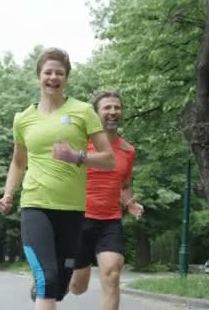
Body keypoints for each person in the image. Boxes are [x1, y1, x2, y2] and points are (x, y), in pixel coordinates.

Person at [0, 48, 115, 310]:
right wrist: (8, 195)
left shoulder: (83, 111)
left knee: (60, 287)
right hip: (35, 205)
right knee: (48, 279)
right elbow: (18, 162)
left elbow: (109, 159)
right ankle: (42, 285)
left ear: (66, 78)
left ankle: (41, 289)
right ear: (38, 76)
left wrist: (77, 157)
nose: (53, 77)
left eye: (59, 73)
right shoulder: (23, 119)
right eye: (47, 72)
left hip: (71, 210)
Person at [68, 91, 144, 310]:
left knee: (111, 273)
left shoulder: (128, 150)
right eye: (107, 108)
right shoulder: (81, 144)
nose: (113, 112)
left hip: (110, 221)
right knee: (77, 286)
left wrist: (130, 204)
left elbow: (125, 185)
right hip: (79, 219)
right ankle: (52, 279)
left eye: (117, 108)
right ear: (96, 113)